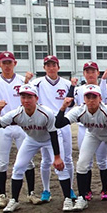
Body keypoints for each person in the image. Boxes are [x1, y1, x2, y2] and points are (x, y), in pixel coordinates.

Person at [0, 84, 70, 213]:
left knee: (60, 167)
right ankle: (14, 200)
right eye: (23, 97)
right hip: (31, 140)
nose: (26, 100)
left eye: (29, 97)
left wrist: (57, 157)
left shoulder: (46, 112)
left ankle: (67, 199)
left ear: (36, 98)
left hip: (50, 139)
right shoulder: (16, 113)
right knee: (18, 167)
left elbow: (53, 134)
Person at [0, 51, 40, 208]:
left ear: (14, 63)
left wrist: (28, 82)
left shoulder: (21, 79)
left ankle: (31, 193)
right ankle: (2, 196)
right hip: (3, 125)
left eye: (9, 62)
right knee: (1, 162)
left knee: (28, 161)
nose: (7, 66)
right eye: (4, 63)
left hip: (21, 125)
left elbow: (33, 96)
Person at [55, 85, 107, 212]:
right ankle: (82, 198)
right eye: (88, 97)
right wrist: (63, 107)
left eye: (94, 97)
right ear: (84, 99)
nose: (91, 100)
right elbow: (58, 123)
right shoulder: (79, 110)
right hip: (93, 134)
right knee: (81, 164)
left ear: (100, 98)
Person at [31, 55, 75, 203]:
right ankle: (46, 190)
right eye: (48, 65)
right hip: (45, 125)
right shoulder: (37, 83)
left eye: (53, 65)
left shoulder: (67, 84)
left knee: (67, 158)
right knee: (46, 159)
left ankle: (69, 188)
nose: (51, 68)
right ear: (44, 68)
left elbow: (72, 104)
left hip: (63, 123)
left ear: (58, 67)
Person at [71, 62, 107, 201]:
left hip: (102, 127)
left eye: (93, 71)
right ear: (83, 74)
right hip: (85, 128)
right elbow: (73, 104)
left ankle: (105, 190)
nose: (90, 74)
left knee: (102, 160)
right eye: (87, 71)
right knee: (85, 161)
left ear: (97, 73)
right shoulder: (79, 89)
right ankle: (86, 191)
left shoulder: (104, 87)